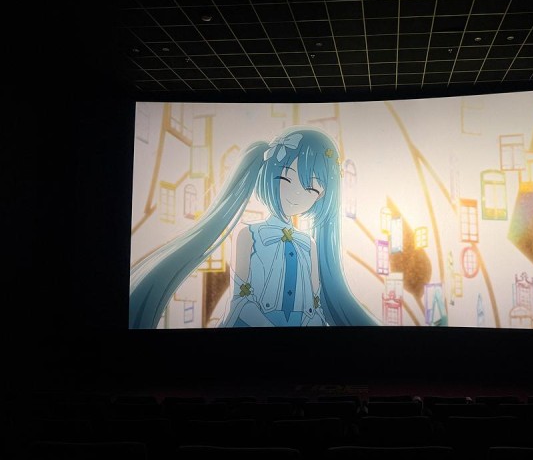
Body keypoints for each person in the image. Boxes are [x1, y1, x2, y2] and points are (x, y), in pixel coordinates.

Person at [129, 126, 378, 329]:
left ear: (321, 197)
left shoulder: (308, 244)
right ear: (269, 174)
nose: (297, 194)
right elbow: (241, 299)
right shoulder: (249, 235)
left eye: (311, 189)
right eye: (285, 178)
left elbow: (314, 303)